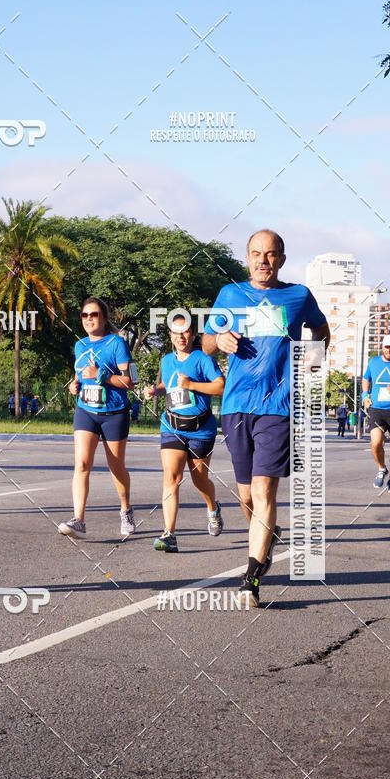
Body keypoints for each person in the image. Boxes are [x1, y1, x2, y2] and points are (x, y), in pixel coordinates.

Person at [202, 229, 330, 608]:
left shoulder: (299, 296)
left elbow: (321, 329)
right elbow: (207, 341)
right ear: (247, 257)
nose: (263, 261)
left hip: (278, 406)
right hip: (236, 405)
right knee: (245, 495)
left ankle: (251, 579)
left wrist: (315, 357)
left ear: (282, 259)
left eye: (271, 254)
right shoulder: (230, 295)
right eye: (256, 253)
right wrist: (219, 341)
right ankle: (267, 535)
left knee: (264, 490)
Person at [144, 314, 225, 552]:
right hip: (172, 427)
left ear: (192, 334)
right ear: (170, 336)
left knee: (200, 480)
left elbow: (221, 386)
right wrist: (155, 391)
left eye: (185, 331)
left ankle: (213, 507)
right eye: (176, 332)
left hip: (200, 429)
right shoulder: (166, 360)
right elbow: (169, 387)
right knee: (171, 477)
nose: (181, 336)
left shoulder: (202, 359)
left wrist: (192, 385)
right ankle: (169, 534)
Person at [58, 296, 137, 539]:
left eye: (94, 315)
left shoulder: (117, 344)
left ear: (103, 318)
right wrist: (75, 384)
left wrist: (101, 374)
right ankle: (79, 520)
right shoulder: (79, 346)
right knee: (82, 464)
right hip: (86, 411)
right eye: (85, 315)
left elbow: (130, 382)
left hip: (114, 413)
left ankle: (125, 509)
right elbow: (80, 377)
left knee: (116, 467)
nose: (89, 319)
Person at [362, 333, 390, 491]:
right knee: (376, 443)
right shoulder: (374, 362)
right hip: (377, 409)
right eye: (387, 347)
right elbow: (365, 379)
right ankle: (382, 468)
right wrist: (365, 396)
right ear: (382, 347)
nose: (389, 350)